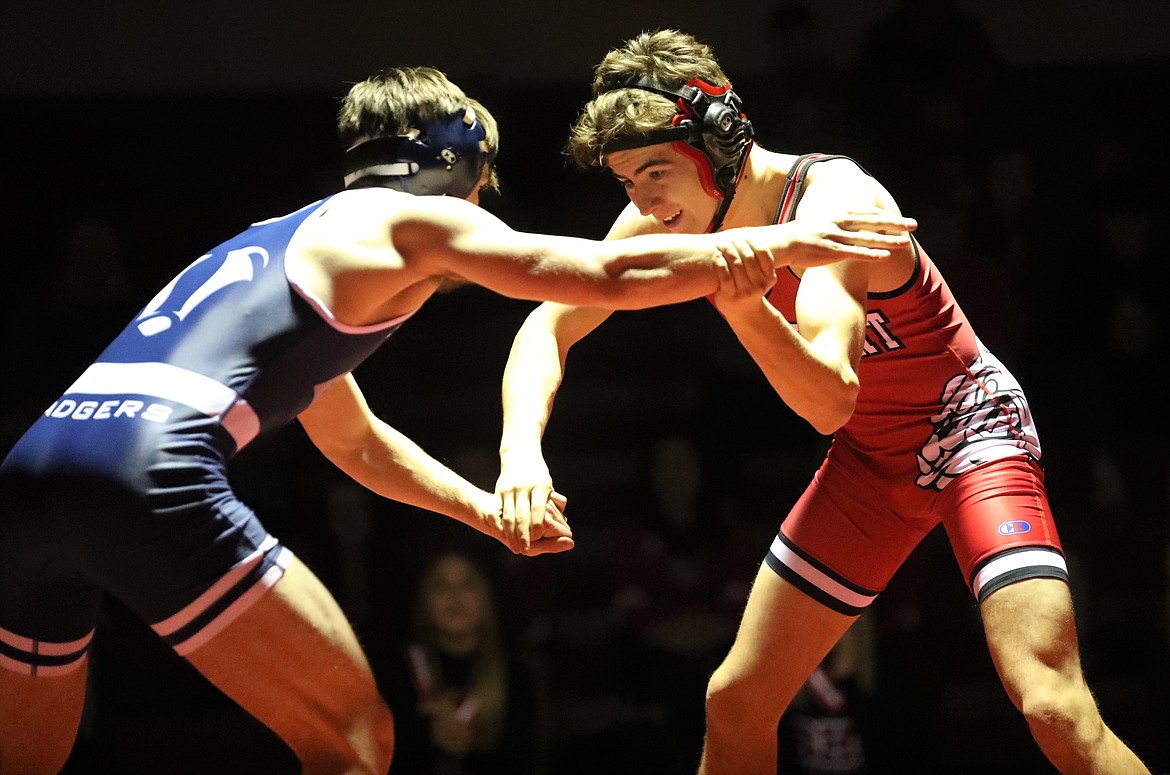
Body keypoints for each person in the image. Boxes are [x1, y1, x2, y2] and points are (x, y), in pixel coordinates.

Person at [0, 64, 913, 775]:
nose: (483, 214)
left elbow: (354, 442)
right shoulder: (407, 220)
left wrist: (484, 510)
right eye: (483, 190)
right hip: (145, 472)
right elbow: (600, 276)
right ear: (452, 168)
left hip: (30, 473)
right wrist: (776, 244)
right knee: (356, 737)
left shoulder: (278, 247)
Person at [494, 30, 1150, 775]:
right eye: (625, 184)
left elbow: (831, 398)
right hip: (870, 460)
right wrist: (520, 452)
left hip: (969, 431)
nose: (644, 203)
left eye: (654, 173)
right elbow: (548, 323)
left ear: (719, 140)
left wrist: (746, 311)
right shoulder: (663, 217)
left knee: (1050, 702)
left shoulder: (837, 202)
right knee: (736, 698)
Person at [376, 550, 542, 775]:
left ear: (485, 599)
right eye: (441, 587)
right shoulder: (397, 673)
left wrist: (474, 744)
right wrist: (425, 734)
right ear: (424, 602)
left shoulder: (517, 677)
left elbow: (530, 761)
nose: (455, 597)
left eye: (467, 585)